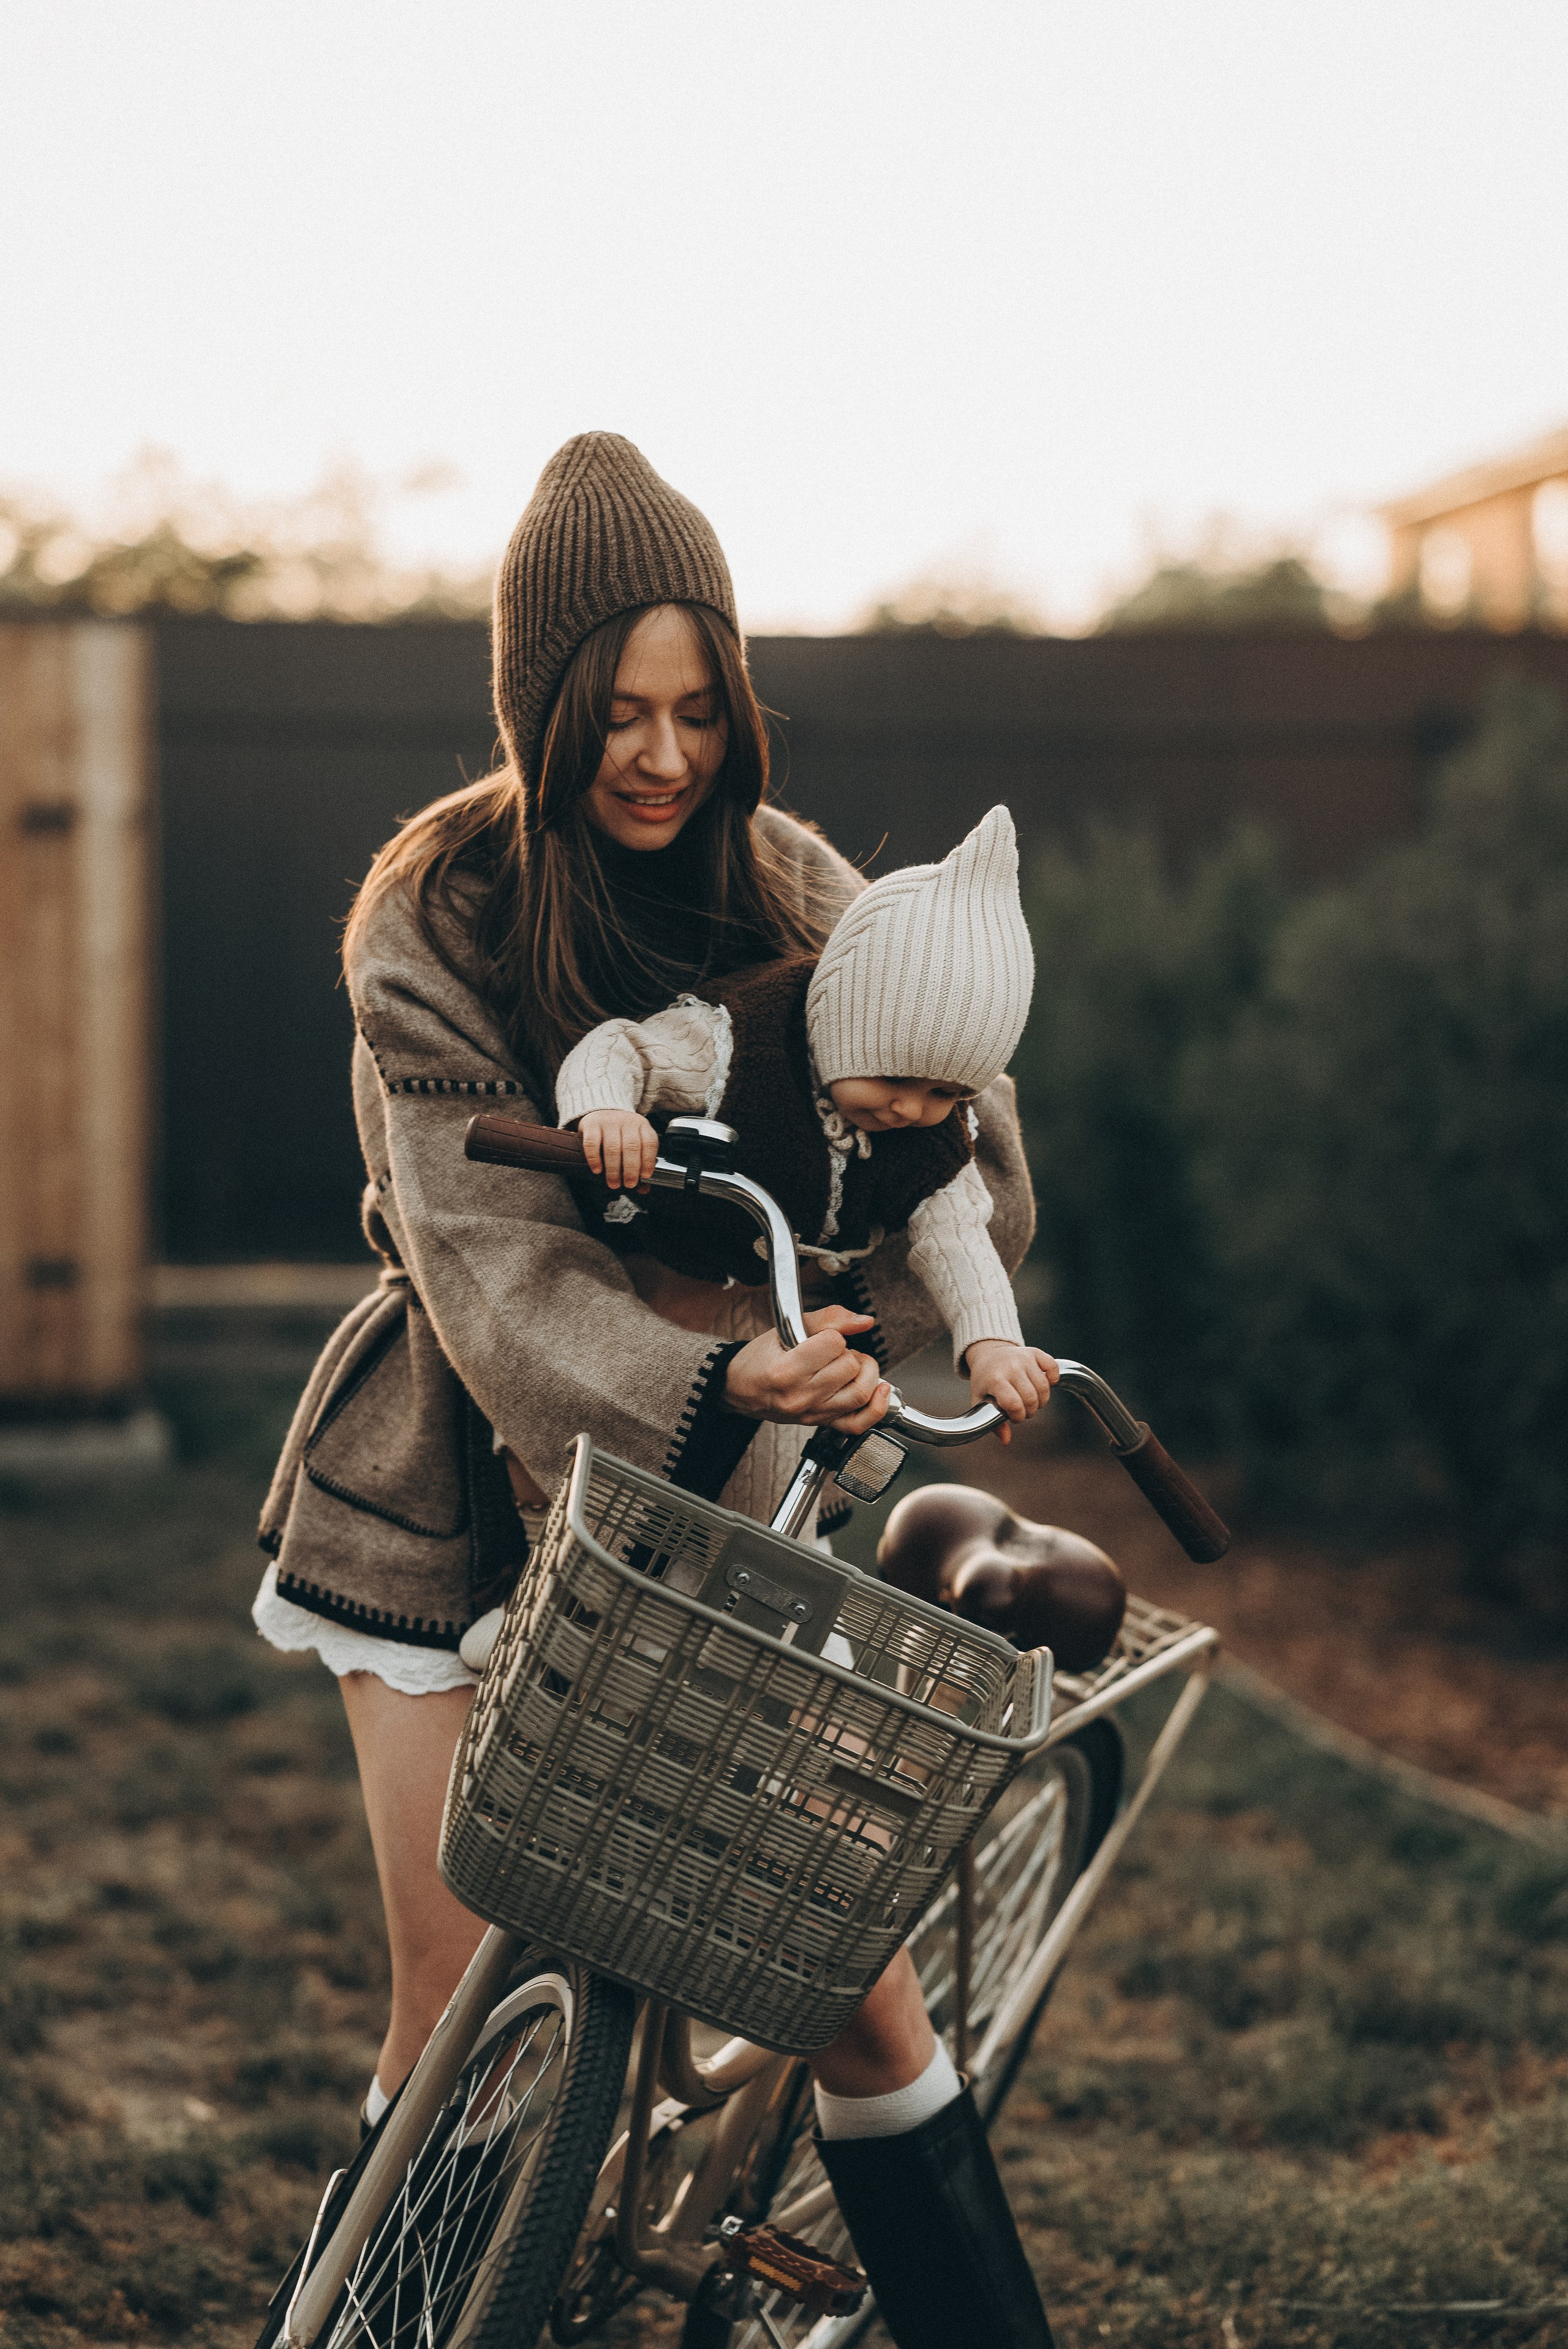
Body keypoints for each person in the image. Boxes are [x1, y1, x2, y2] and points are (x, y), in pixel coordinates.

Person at [252, 432, 1053, 2348]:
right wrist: (710, 1365)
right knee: (455, 1987)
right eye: (619, 711)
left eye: (701, 709)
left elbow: (960, 1111)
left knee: (841, 1971)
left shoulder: (787, 878)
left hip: (726, 1485)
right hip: (444, 1469)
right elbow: (484, 1259)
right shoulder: (428, 915)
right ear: (543, 705)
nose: (666, 756)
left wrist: (884, 1279)